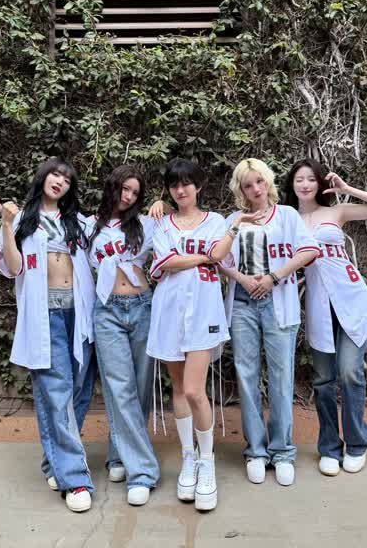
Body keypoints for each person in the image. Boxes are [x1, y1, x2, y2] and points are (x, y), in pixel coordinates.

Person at [146, 158, 260, 511]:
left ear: (198, 186)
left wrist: (221, 239)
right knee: (179, 388)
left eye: (187, 183)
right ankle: (188, 458)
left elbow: (219, 253)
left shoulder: (216, 221)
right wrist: (201, 257)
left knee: (196, 390)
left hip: (204, 313)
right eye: (174, 185)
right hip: (168, 311)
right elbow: (166, 262)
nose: (180, 190)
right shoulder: (161, 222)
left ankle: (206, 461)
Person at [0, 157, 96, 513]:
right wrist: (7, 225)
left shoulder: (78, 221)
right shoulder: (21, 218)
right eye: (55, 174)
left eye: (67, 179)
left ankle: (54, 462)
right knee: (57, 392)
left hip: (78, 312)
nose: (60, 181)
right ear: (43, 177)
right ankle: (75, 478)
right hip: (45, 315)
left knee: (78, 390)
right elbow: (13, 268)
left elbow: (117, 228)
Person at [284, 157, 367, 476]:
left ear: (320, 183)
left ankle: (357, 444)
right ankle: (329, 448)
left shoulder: (336, 211)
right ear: (291, 184)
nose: (305, 184)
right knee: (323, 380)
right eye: (299, 179)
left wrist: (348, 189)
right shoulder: (287, 219)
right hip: (318, 306)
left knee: (350, 372)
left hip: (351, 300)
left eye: (311, 179)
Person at [220, 158, 319, 487]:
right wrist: (242, 279)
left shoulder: (287, 215)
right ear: (240, 189)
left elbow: (308, 250)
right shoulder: (233, 220)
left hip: (278, 302)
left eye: (259, 181)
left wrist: (273, 277)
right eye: (247, 185)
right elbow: (219, 258)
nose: (255, 189)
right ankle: (256, 452)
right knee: (246, 375)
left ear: (268, 182)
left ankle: (282, 451)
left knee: (280, 376)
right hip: (242, 303)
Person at [86, 165, 159, 507]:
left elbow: (178, 229)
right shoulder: (88, 225)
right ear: (112, 187)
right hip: (108, 311)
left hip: (142, 306)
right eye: (124, 189)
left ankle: (119, 454)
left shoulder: (145, 223)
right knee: (119, 387)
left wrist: (162, 207)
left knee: (140, 387)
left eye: (135, 192)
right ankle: (142, 472)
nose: (128, 196)